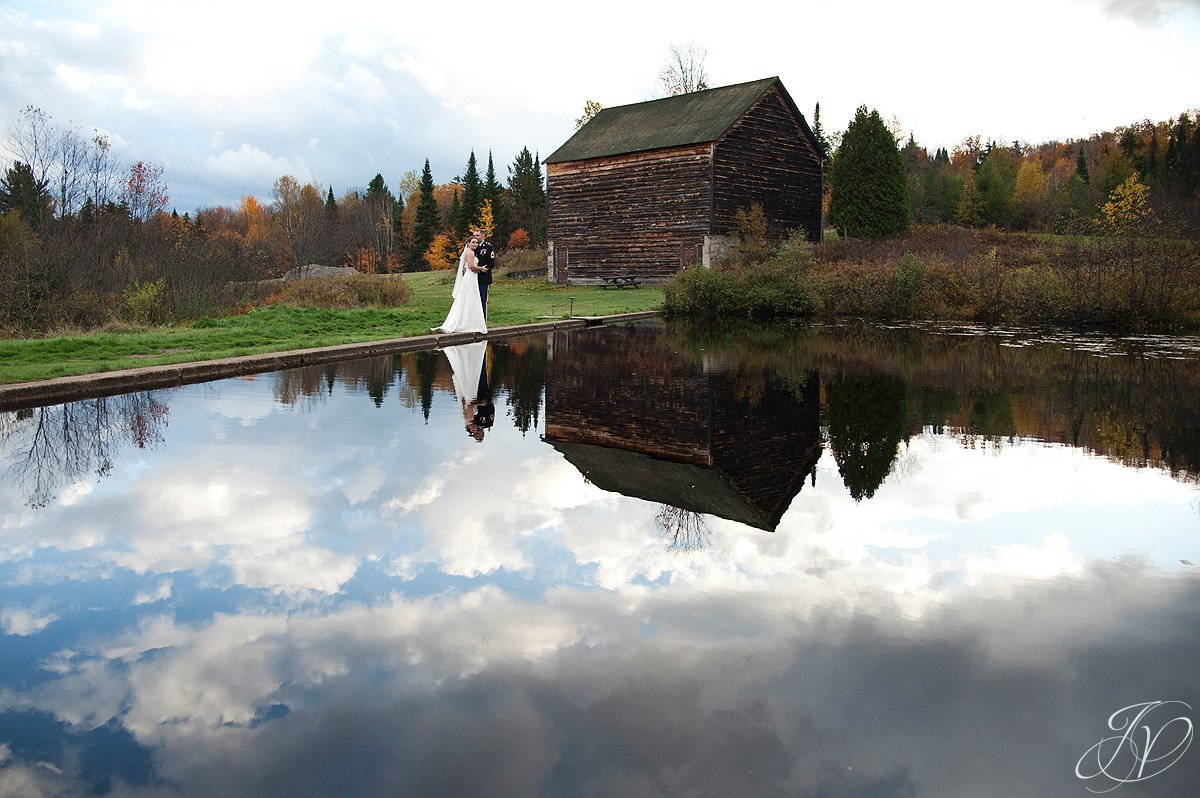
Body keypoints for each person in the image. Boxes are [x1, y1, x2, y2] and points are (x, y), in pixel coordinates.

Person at [432, 237, 487, 334]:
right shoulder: (470, 252)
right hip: (470, 278)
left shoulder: (469, 252)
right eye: (473, 242)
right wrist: (481, 268)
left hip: (471, 277)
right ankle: (468, 323)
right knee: (470, 299)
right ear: (468, 243)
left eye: (476, 243)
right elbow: (470, 266)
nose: (475, 244)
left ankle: (469, 322)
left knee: (469, 299)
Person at [472, 228, 497, 319]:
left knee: (482, 300)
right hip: (472, 278)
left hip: (483, 278)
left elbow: (491, 263)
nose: (475, 237)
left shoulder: (488, 247)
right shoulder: (473, 247)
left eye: (477, 235)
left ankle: (482, 320)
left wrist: (481, 269)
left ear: (483, 236)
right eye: (474, 235)